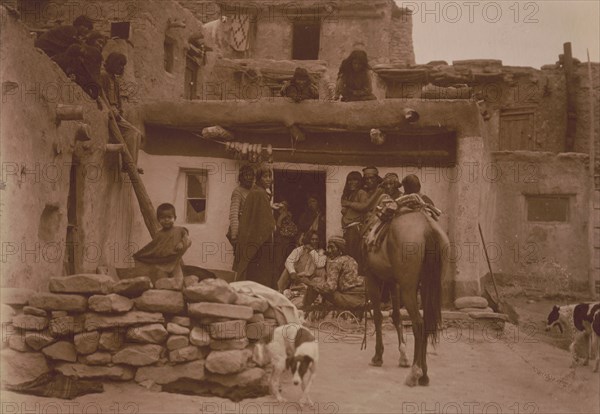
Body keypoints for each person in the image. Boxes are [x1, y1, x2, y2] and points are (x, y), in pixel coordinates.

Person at [100, 52, 143, 173]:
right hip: (108, 113)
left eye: (123, 65)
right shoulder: (103, 76)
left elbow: (118, 101)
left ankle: (131, 163)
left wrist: (120, 111)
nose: (122, 68)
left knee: (137, 133)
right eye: (120, 64)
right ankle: (128, 164)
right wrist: (110, 108)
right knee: (132, 132)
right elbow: (100, 95)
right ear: (113, 63)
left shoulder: (115, 80)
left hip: (116, 114)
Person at [233, 166, 277, 287]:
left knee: (251, 269)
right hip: (260, 240)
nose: (268, 179)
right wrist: (273, 225)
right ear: (259, 178)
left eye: (270, 176)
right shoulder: (260, 193)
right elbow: (266, 222)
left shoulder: (255, 191)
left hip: (253, 238)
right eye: (265, 176)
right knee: (260, 271)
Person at [298, 236, 365, 309]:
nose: (329, 250)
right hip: (360, 299)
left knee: (316, 281)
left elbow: (330, 287)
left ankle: (304, 307)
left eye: (332, 247)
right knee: (319, 282)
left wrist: (309, 283)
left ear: (339, 249)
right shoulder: (350, 259)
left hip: (347, 299)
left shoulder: (336, 262)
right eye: (328, 247)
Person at [132, 203, 191, 284]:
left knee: (179, 281)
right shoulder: (159, 234)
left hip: (175, 262)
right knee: (162, 281)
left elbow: (186, 236)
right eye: (163, 218)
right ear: (158, 219)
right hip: (162, 263)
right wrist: (141, 255)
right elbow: (154, 247)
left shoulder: (179, 230)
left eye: (169, 217)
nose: (166, 220)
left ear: (175, 218)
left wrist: (181, 243)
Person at [340, 171, 368, 267]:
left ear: (359, 181)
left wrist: (348, 204)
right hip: (347, 229)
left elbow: (364, 206)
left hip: (355, 229)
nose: (351, 182)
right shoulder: (349, 194)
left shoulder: (361, 192)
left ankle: (355, 278)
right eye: (350, 180)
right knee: (347, 255)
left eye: (355, 180)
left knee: (353, 257)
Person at [227, 165, 255, 246]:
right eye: (247, 175)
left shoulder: (253, 191)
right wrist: (234, 236)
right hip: (241, 232)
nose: (249, 178)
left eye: (251, 175)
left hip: (252, 231)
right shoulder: (238, 192)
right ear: (241, 177)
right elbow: (234, 214)